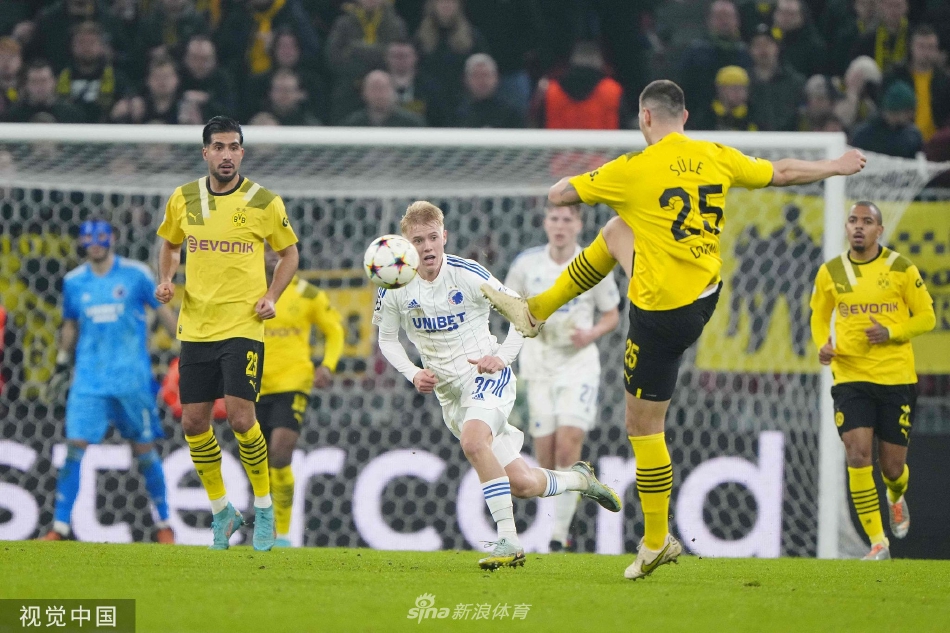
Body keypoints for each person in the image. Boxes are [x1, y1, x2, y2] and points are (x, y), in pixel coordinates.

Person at [481, 79, 867, 580]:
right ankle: (537, 310)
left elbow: (560, 193)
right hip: (704, 298)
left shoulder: (633, 168)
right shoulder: (716, 155)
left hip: (659, 314)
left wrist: (598, 178)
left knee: (643, 428)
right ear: (684, 117)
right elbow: (784, 171)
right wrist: (836, 165)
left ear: (645, 117)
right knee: (618, 231)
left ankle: (656, 540)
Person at [374, 201, 622, 570]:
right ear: (407, 246)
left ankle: (508, 540)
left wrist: (502, 358)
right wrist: (412, 372)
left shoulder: (468, 274)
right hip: (451, 395)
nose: (427, 247)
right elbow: (387, 338)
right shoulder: (395, 284)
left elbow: (522, 315)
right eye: (418, 241)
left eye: (432, 238)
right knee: (522, 484)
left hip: (488, 378)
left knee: (473, 442)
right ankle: (579, 479)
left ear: (444, 237)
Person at [154, 116, 300, 551]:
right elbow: (170, 245)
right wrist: (167, 279)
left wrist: (272, 295)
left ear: (242, 152)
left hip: (242, 326)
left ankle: (265, 508)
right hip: (196, 327)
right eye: (218, 147)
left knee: (240, 418)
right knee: (194, 423)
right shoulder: (183, 198)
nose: (226, 155)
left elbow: (289, 254)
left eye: (234, 147)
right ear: (205, 152)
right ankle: (222, 511)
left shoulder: (264, 202)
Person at [40, 219, 179, 543]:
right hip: (89, 381)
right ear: (82, 241)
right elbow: (71, 325)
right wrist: (61, 363)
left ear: (113, 238)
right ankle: (60, 526)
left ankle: (164, 523)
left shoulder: (137, 274)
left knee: (144, 451)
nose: (95, 242)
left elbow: (163, 313)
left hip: (132, 380)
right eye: (88, 236)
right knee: (74, 447)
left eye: (101, 235)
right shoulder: (74, 281)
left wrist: (185, 344)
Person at [810, 201, 935, 560]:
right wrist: (823, 344)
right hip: (851, 376)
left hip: (895, 378)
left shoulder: (900, 268)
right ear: (846, 227)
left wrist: (892, 332)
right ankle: (878, 542)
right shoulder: (831, 272)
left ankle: (896, 494)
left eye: (867, 221)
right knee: (857, 453)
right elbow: (818, 316)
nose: (858, 226)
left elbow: (927, 317)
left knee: (892, 468)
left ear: (879, 230)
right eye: (853, 220)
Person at [504, 204, 620, 552]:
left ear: (579, 225)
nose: (560, 225)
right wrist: (526, 321)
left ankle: (558, 536)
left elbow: (612, 315)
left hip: (578, 364)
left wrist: (591, 333)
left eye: (567, 219)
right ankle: (562, 510)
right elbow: (507, 305)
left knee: (569, 445)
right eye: (554, 218)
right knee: (546, 454)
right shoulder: (526, 264)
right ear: (545, 223)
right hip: (538, 362)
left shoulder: (593, 262)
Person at [259, 247, 345, 547]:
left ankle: (283, 534)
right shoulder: (245, 291)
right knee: (258, 463)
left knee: (280, 455)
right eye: (266, 247)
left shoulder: (307, 294)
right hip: (251, 384)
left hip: (293, 383)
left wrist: (327, 365)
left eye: (278, 248)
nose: (272, 253)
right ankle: (265, 526)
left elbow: (334, 331)